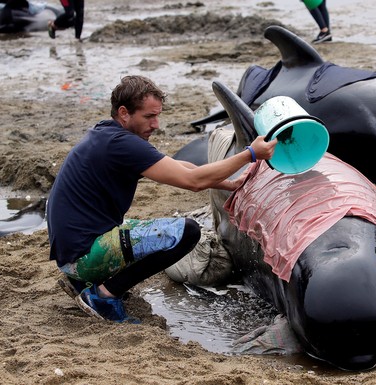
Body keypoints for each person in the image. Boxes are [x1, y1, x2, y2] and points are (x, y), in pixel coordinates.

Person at [47, 75, 277, 322]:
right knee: (187, 232)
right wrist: (250, 154)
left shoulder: (108, 133)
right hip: (83, 257)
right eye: (149, 116)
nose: (156, 124)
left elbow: (181, 167)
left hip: (71, 253)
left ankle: (85, 282)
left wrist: (228, 183)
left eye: (157, 115)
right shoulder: (124, 144)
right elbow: (194, 182)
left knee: (146, 232)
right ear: (124, 113)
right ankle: (103, 295)